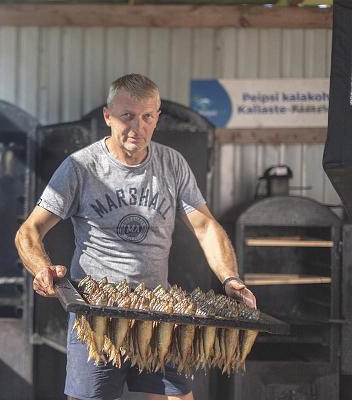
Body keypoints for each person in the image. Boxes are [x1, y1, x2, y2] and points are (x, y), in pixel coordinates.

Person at [15, 73, 256, 400]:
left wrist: (230, 279)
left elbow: (205, 226)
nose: (137, 127)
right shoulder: (81, 167)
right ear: (108, 116)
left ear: (157, 117)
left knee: (178, 397)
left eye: (146, 117)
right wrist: (41, 268)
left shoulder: (172, 164)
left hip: (157, 308)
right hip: (96, 312)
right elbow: (29, 231)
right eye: (127, 116)